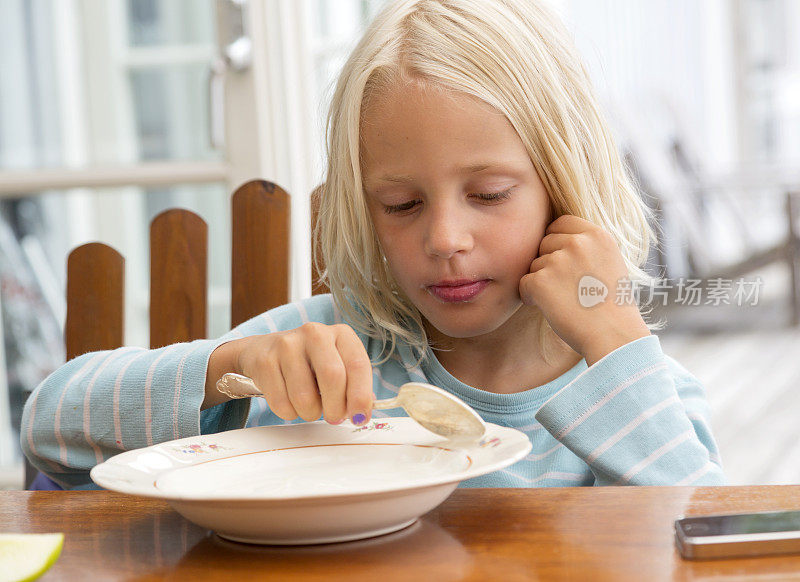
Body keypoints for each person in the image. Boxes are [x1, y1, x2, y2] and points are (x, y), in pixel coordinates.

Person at [21, 0, 725, 490]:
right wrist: (234, 365)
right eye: (402, 204)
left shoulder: (633, 392)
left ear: (563, 189)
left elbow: (701, 532)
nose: (445, 239)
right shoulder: (331, 347)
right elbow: (51, 425)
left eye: (488, 195)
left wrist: (619, 344)